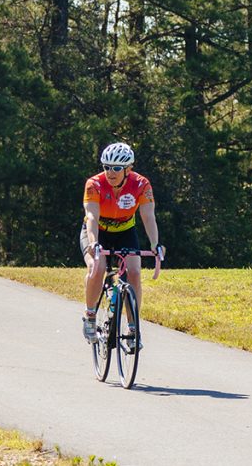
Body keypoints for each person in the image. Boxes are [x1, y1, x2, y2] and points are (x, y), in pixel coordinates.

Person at [79, 142, 163, 351]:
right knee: (97, 268)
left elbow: (148, 216)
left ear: (128, 169)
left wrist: (154, 243)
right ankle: (90, 316)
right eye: (107, 167)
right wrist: (93, 242)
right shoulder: (94, 184)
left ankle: (134, 329)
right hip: (97, 231)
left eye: (116, 168)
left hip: (125, 232)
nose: (110, 172)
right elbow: (91, 216)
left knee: (134, 272)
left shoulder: (141, 184)